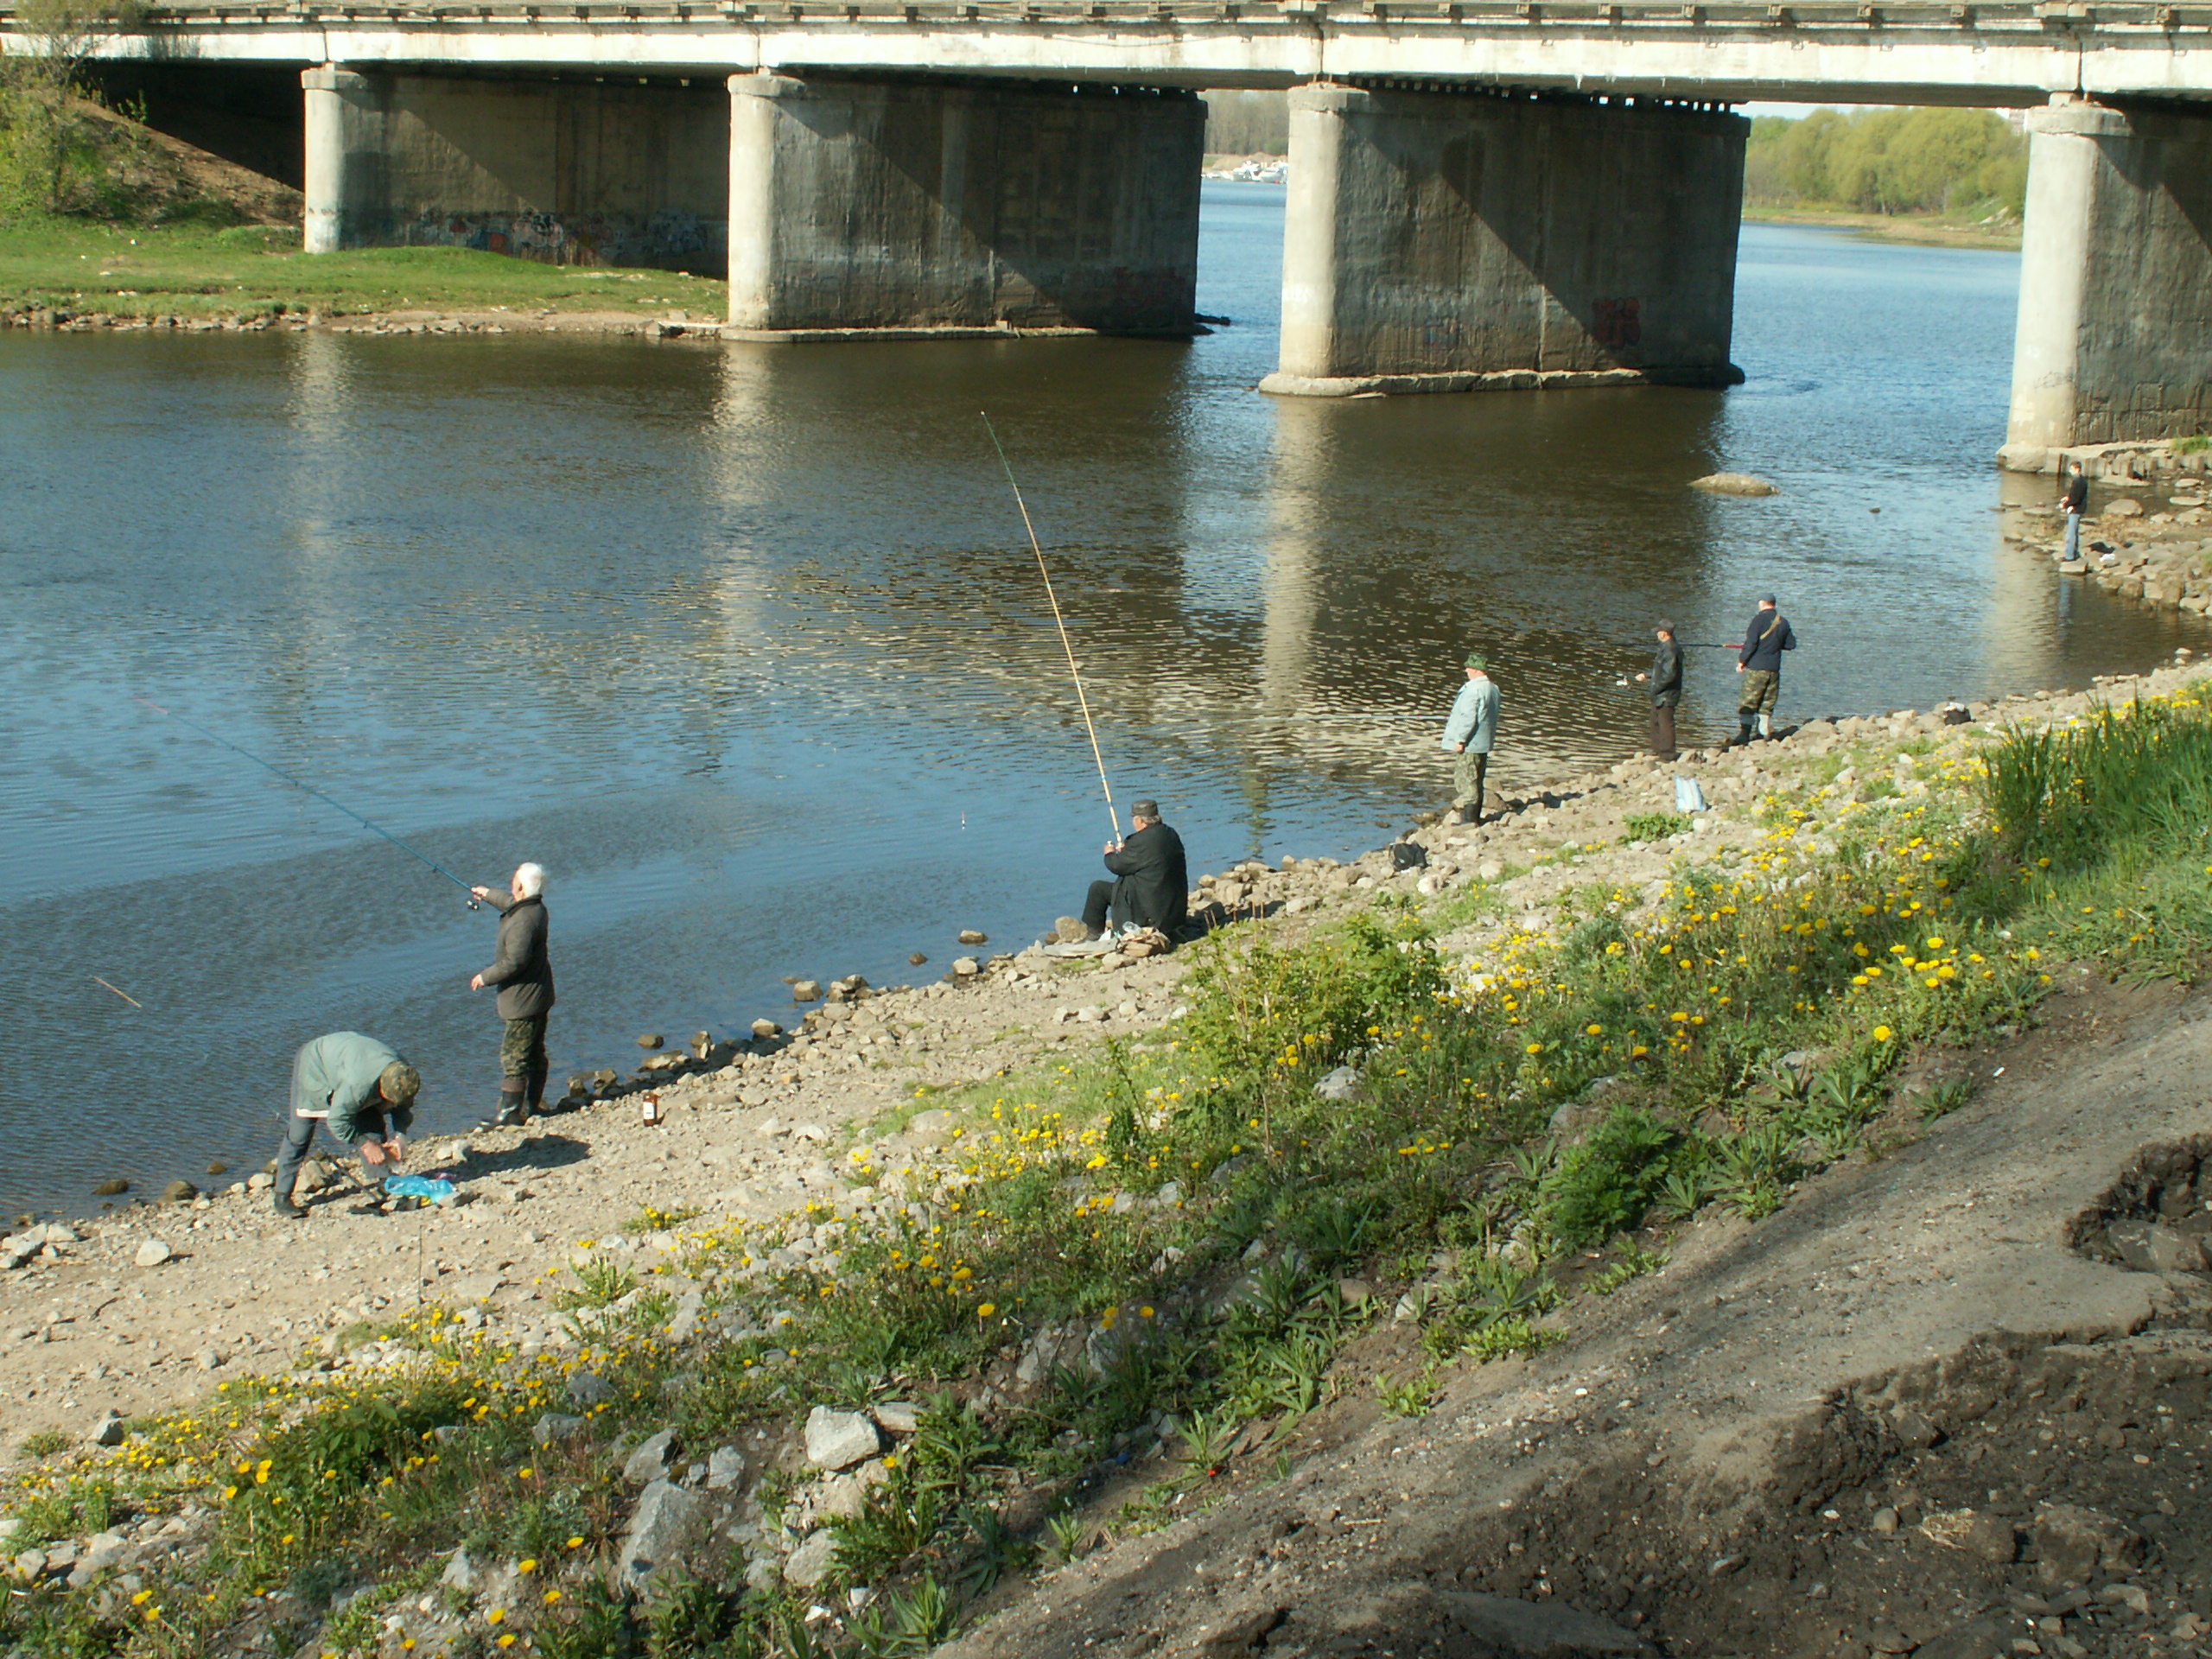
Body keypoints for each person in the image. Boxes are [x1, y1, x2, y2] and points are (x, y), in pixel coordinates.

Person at [275, 1032, 418, 1219]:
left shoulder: (405, 1075)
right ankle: (282, 1197)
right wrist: (365, 1145)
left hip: (347, 1060)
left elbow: (403, 1109)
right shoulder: (358, 1084)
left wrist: (400, 1136)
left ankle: (384, 1182)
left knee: (372, 1124)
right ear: (381, 1088)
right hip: (315, 1065)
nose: (390, 1104)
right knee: (299, 1135)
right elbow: (337, 1121)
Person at [468, 861, 556, 1128]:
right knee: (533, 1052)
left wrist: (484, 977)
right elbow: (510, 902)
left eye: (513, 880)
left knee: (514, 1056)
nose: (510, 883)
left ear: (519, 886)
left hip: (523, 1002)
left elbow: (514, 963)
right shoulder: (534, 908)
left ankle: (510, 1113)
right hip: (538, 996)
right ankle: (532, 1106)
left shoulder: (524, 922)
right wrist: (486, 893)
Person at [1080, 799, 1189, 939]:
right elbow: (1148, 858)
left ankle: (1094, 935)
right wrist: (1127, 852)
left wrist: (1110, 853)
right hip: (1173, 912)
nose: (1133, 822)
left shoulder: (1139, 842)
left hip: (1150, 914)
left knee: (1098, 889)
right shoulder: (1170, 834)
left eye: (1134, 818)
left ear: (1141, 821)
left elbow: (1117, 866)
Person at [1440, 652, 1500, 823]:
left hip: (1470, 744)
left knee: (1467, 781)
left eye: (1468, 667)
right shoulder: (1493, 688)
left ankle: (1469, 822)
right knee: (1478, 780)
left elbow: (1469, 718)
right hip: (1483, 743)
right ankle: (1475, 818)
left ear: (1475, 670)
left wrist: (1460, 740)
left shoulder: (1473, 689)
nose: (1466, 670)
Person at [1733, 594, 1797, 745]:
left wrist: (1742, 661)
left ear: (1762, 604)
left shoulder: (1758, 620)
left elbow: (1751, 643)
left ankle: (1744, 735)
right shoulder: (1783, 622)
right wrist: (1773, 644)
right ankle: (1762, 734)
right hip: (1774, 669)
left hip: (1757, 667)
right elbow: (1790, 645)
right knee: (1767, 703)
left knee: (1748, 702)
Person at [1635, 620, 1683, 761]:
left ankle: (1668, 754)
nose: (1656, 634)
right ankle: (1657, 751)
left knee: (1665, 723)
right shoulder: (1665, 648)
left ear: (1664, 633)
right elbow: (1661, 670)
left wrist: (1656, 687)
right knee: (1655, 721)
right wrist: (1648, 676)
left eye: (1658, 631)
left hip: (1667, 694)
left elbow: (1669, 675)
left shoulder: (1671, 650)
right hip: (1660, 693)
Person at [2060, 459, 2088, 563]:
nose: (2070, 471)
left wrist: (2066, 505)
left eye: (2072, 469)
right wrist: (2068, 498)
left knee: (2071, 534)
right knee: (2074, 532)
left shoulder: (2079, 482)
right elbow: (2075, 495)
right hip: (2077, 508)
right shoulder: (2080, 480)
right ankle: (2074, 553)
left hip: (2076, 510)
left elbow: (2077, 499)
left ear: (2078, 469)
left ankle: (2069, 556)